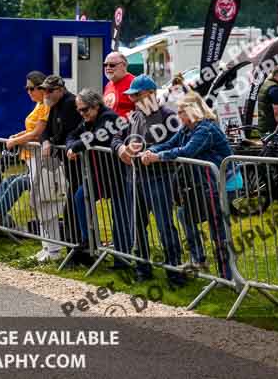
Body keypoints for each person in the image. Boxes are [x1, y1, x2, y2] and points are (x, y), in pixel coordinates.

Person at [141, 91, 234, 280]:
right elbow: (169, 143)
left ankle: (227, 276)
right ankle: (198, 259)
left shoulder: (205, 129)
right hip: (201, 185)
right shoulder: (187, 129)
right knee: (184, 214)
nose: (178, 115)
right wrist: (151, 150)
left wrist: (157, 157)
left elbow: (187, 151)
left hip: (216, 185)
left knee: (218, 230)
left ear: (193, 111)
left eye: (182, 111)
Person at [111, 75, 186, 286]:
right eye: (132, 95)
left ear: (151, 94)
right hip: (133, 179)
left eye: (137, 94)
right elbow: (115, 138)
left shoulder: (168, 115)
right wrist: (121, 149)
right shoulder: (132, 116)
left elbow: (177, 143)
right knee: (136, 225)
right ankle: (142, 268)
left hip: (159, 178)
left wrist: (151, 151)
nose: (133, 99)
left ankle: (174, 270)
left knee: (164, 226)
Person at [0, 71, 62, 260]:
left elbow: (38, 133)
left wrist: (16, 141)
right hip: (31, 158)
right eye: (26, 88)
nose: (28, 91)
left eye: (31, 88)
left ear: (41, 88)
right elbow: (31, 130)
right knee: (24, 189)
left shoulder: (45, 105)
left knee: (41, 200)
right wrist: (18, 136)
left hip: (42, 160)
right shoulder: (39, 105)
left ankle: (53, 249)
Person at [66, 88, 133, 270]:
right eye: (79, 110)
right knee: (80, 196)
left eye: (85, 110)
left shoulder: (108, 117)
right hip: (101, 174)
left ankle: (123, 261)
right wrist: (71, 146)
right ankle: (88, 240)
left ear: (96, 106)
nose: (82, 114)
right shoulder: (89, 119)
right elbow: (72, 135)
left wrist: (76, 147)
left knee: (119, 217)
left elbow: (97, 138)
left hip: (118, 175)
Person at [39, 75, 87, 261]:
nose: (46, 94)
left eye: (50, 90)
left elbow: (65, 132)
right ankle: (76, 250)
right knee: (73, 206)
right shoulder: (55, 105)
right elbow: (46, 131)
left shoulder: (69, 103)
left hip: (79, 163)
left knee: (76, 207)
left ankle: (80, 252)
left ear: (60, 90)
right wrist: (45, 142)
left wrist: (51, 141)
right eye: (44, 90)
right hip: (68, 164)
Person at [258, 66, 278, 135]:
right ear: (277, 76)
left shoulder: (267, 84)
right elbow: (277, 111)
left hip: (266, 127)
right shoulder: (275, 89)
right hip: (275, 130)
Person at [102, 52, 136, 117]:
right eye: (105, 65)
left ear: (124, 65)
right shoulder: (108, 85)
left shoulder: (135, 83)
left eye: (112, 65)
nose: (108, 68)